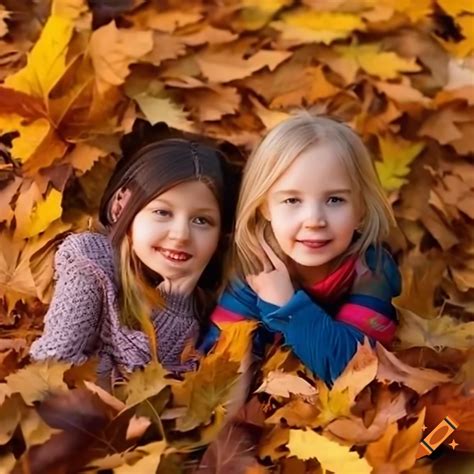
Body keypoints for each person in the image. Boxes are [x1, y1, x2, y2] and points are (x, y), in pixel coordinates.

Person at [30, 124, 240, 387]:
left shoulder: (212, 296)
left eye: (201, 220)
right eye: (162, 212)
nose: (181, 235)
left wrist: (175, 301)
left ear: (221, 233)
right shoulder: (90, 263)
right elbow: (53, 365)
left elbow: (164, 391)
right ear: (121, 206)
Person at [202, 113, 401, 385]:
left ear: (362, 209)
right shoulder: (256, 267)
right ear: (264, 206)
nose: (314, 220)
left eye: (334, 199)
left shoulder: (370, 271)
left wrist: (286, 306)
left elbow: (355, 369)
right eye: (293, 200)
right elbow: (220, 360)